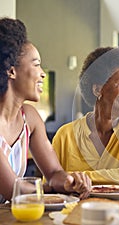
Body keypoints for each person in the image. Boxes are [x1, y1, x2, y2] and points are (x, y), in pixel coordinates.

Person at [0, 17, 91, 203]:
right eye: (36, 64)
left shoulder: (30, 118)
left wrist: (68, 181)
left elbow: (54, 172)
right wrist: (51, 188)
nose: (42, 73)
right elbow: (13, 189)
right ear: (11, 71)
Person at [52, 47, 119, 185]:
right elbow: (51, 186)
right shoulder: (65, 135)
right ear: (98, 89)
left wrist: (73, 178)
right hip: (77, 207)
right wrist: (62, 180)